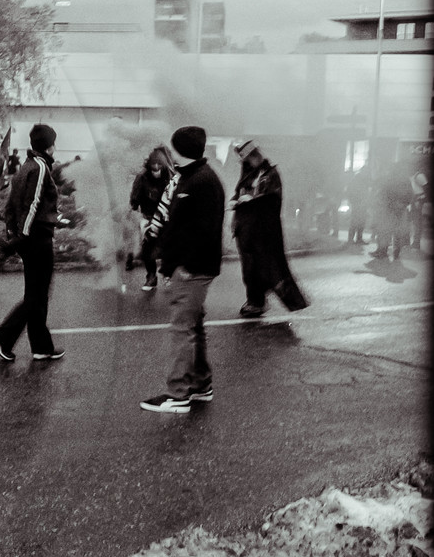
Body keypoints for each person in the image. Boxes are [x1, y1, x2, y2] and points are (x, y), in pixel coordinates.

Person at [140, 125, 225, 413]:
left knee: (181, 330)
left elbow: (200, 233)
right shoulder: (191, 177)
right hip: (191, 266)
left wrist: (182, 267)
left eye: (174, 147)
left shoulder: (201, 182)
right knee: (193, 328)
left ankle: (177, 395)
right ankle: (201, 386)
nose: (170, 152)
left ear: (183, 149)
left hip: (192, 269)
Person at [0, 123, 65, 363]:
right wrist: (24, 234)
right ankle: (2, 337)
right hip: (36, 239)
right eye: (54, 142)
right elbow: (32, 204)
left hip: (28, 237)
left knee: (37, 294)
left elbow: (12, 204)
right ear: (49, 146)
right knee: (37, 295)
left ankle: (41, 347)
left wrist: (13, 231)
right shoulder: (40, 168)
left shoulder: (25, 167)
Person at [230, 140, 307, 315]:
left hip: (263, 232)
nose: (246, 161)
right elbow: (239, 193)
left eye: (248, 157)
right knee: (250, 269)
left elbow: (271, 200)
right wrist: (236, 202)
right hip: (246, 231)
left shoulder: (270, 174)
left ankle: (259, 302)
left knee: (270, 268)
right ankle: (256, 300)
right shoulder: (248, 174)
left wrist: (251, 201)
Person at [128, 146, 174, 292]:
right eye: (153, 164)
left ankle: (169, 276)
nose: (156, 167)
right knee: (148, 249)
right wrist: (134, 207)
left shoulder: (170, 177)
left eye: (159, 164)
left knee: (169, 248)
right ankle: (151, 276)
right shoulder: (142, 177)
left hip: (166, 218)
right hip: (148, 217)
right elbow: (134, 199)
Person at [374, 167, 415, 262]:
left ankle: (383, 251)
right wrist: (405, 204)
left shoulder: (390, 179)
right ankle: (396, 252)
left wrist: (387, 203)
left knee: (387, 230)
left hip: (390, 208)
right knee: (398, 231)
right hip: (401, 208)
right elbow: (411, 194)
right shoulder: (406, 180)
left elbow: (384, 193)